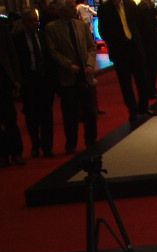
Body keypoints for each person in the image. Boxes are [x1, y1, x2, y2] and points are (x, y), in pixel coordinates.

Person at [46, 0, 97, 153]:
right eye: (69, 7)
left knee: (90, 110)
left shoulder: (80, 25)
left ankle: (91, 140)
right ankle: (71, 143)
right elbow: (53, 51)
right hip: (68, 76)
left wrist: (89, 64)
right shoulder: (52, 28)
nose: (72, 9)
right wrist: (68, 65)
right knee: (70, 113)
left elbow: (91, 46)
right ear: (61, 10)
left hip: (85, 73)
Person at [98, 0, 155, 121]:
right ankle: (132, 110)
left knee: (142, 79)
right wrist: (115, 43)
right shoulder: (105, 9)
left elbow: (139, 25)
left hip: (135, 48)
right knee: (125, 83)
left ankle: (144, 106)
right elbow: (103, 31)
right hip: (120, 52)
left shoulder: (130, 4)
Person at [12, 7, 56, 157]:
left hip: (45, 80)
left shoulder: (43, 35)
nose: (35, 24)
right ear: (24, 22)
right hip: (29, 82)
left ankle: (48, 147)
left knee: (47, 115)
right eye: (32, 21)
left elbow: (49, 56)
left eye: (36, 21)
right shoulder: (17, 39)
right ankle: (35, 145)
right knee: (32, 116)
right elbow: (16, 61)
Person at [0, 14, 25, 166]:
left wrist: (16, 79)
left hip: (4, 78)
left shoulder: (2, 27)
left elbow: (12, 54)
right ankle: (3, 154)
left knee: (10, 118)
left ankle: (16, 152)